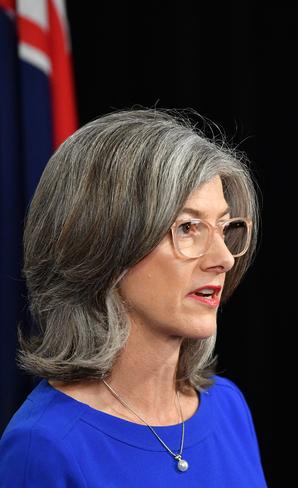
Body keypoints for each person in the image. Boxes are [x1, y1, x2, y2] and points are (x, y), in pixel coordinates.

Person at [0, 109, 267, 486]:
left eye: (224, 228)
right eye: (189, 228)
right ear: (103, 245)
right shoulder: (44, 446)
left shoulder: (227, 406)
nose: (223, 258)